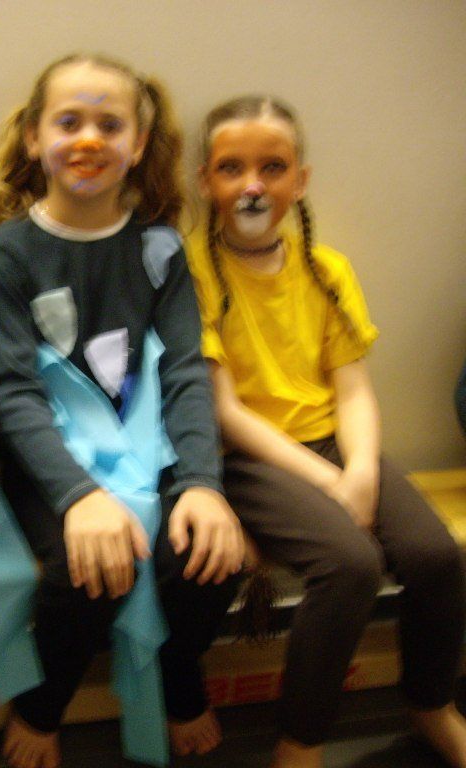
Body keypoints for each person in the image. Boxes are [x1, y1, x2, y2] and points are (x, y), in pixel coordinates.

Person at [0, 53, 245, 768]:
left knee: (211, 559)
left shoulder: (159, 247)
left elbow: (185, 373)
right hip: (53, 464)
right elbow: (12, 393)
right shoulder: (8, 253)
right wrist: (78, 496)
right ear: (34, 137)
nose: (89, 139)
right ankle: (44, 702)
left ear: (139, 143)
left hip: (153, 450)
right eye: (69, 122)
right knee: (84, 568)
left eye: (109, 124)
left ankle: (179, 674)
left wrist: (202, 484)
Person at [187, 94, 466, 768]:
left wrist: (361, 469)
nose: (253, 186)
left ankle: (431, 705)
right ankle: (301, 741)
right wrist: (328, 481)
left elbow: (353, 388)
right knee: (350, 565)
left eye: (273, 167)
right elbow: (224, 411)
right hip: (248, 460)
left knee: (436, 556)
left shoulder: (327, 269)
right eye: (231, 168)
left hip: (335, 447)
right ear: (206, 182)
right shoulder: (192, 270)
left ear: (300, 180)